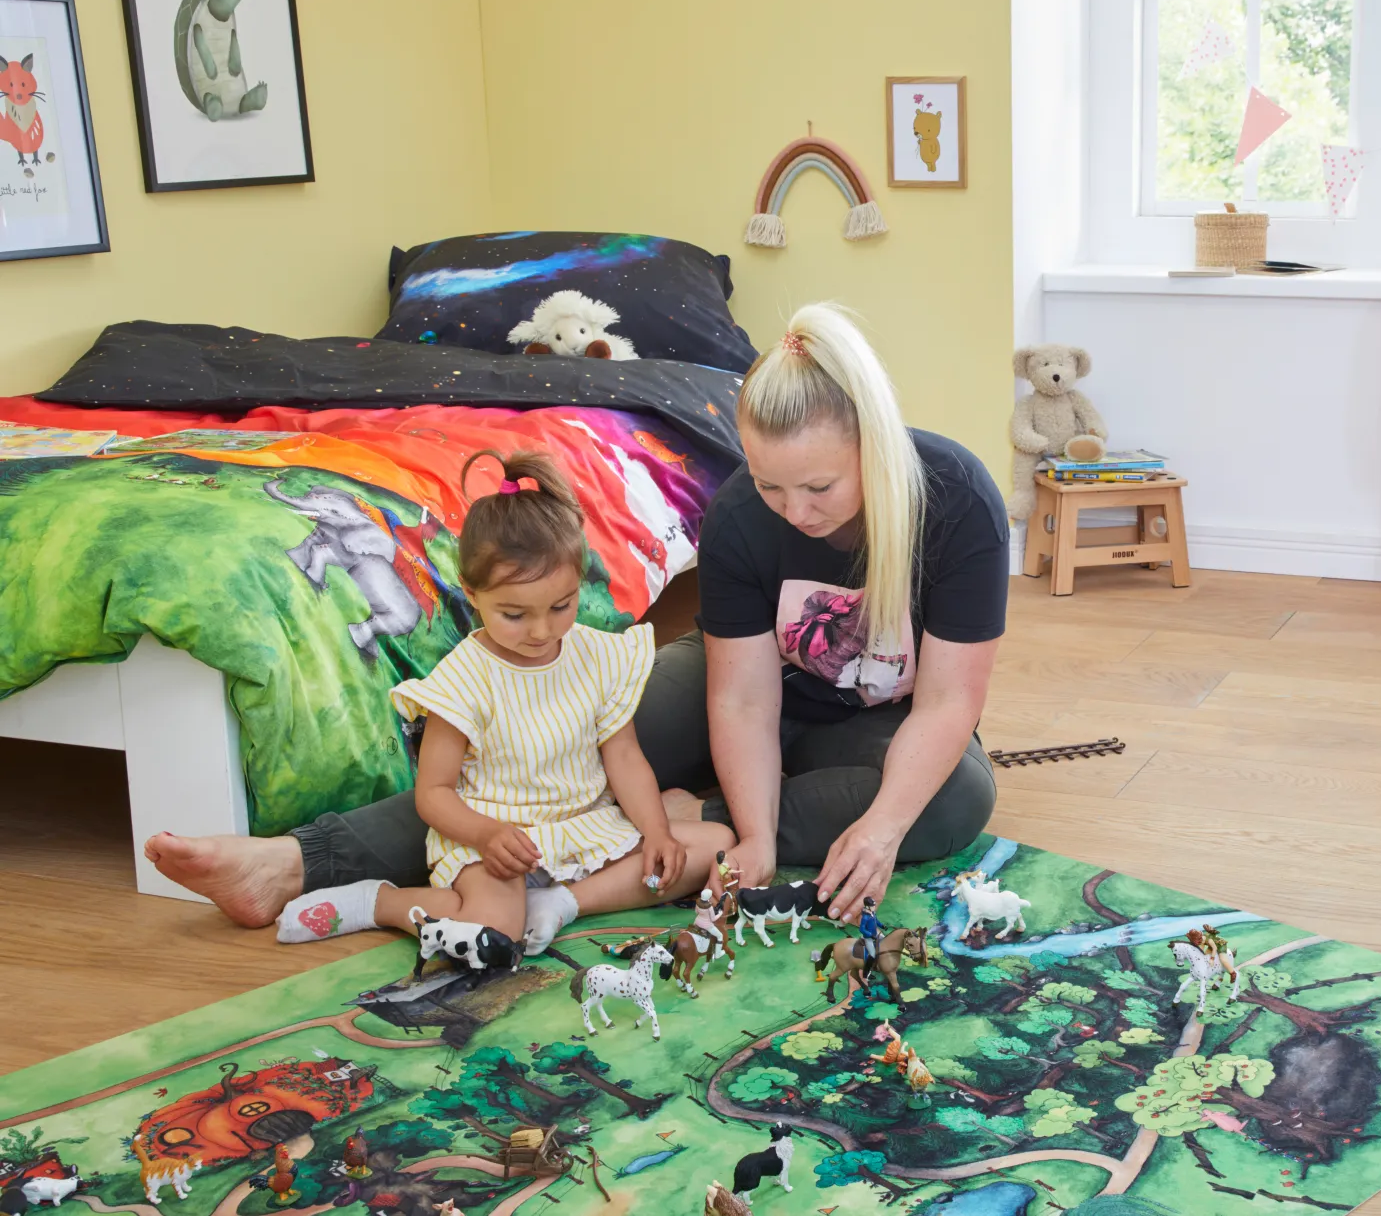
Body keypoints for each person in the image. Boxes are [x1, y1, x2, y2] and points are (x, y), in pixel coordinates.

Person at [144, 302, 1007, 942]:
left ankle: (654, 816)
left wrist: (883, 823)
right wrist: (748, 837)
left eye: (818, 488)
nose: (794, 509)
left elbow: (943, 703)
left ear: (873, 444)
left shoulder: (956, 499)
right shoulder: (745, 515)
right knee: (536, 738)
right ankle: (293, 861)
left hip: (875, 724)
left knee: (956, 795)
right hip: (738, 697)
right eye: (772, 485)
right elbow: (742, 702)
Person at [267, 451, 733, 947]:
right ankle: (379, 902)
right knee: (492, 934)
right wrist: (488, 836)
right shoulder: (463, 680)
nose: (541, 630)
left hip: (583, 828)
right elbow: (434, 794)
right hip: (493, 843)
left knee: (714, 846)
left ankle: (563, 902)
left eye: (561, 606)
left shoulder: (597, 655)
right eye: (514, 614)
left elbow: (624, 757)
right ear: (471, 592)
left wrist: (657, 832)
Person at [856, 896, 883, 971]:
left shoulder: (873, 913)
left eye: (874, 905)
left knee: (885, 939)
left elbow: (876, 921)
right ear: (867, 907)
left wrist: (882, 926)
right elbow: (861, 929)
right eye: (872, 906)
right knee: (872, 954)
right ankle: (866, 972)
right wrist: (870, 935)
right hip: (868, 938)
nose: (874, 907)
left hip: (875, 934)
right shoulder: (865, 917)